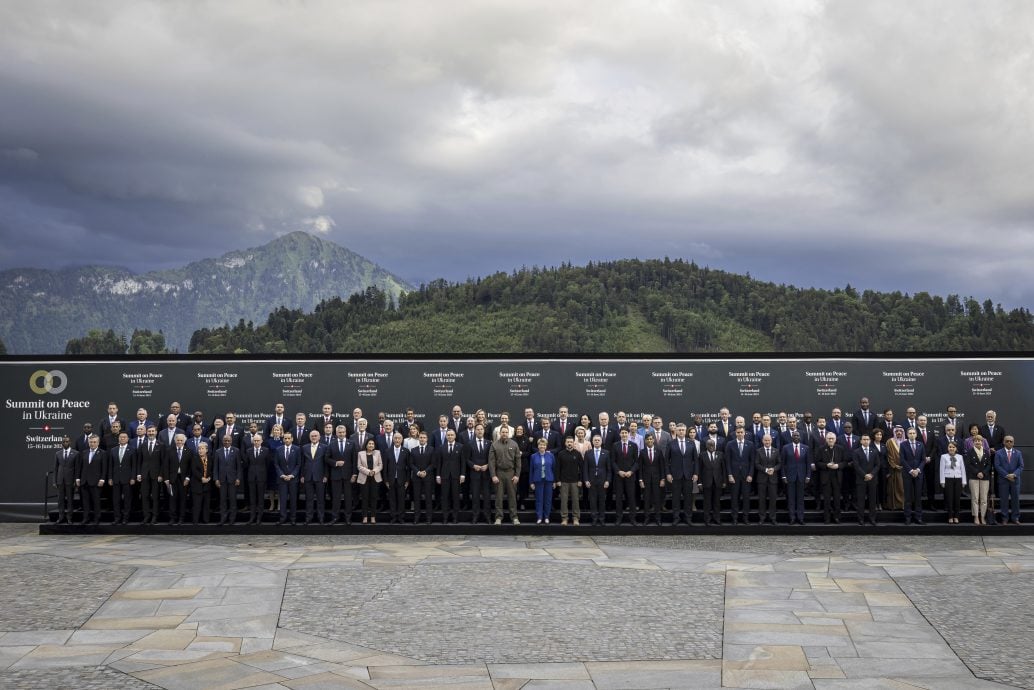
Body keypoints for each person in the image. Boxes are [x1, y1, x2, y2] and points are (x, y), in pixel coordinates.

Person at [489, 425, 522, 525]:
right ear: (499, 433)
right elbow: (491, 462)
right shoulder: (494, 445)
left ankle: (514, 517)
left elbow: (518, 461)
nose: (504, 434)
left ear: (509, 433)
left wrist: (517, 475)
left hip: (511, 473)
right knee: (499, 497)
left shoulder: (514, 444)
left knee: (512, 497)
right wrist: (493, 475)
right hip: (499, 473)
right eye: (502, 432)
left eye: (506, 432)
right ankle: (498, 517)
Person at [667, 423, 698, 526]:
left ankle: (688, 518)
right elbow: (666, 460)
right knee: (675, 498)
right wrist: (668, 473)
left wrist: (696, 473)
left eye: (683, 430)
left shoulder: (691, 443)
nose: (681, 432)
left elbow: (696, 460)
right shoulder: (671, 443)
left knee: (688, 499)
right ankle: (676, 518)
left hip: (688, 475)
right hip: (675, 476)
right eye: (679, 430)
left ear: (686, 431)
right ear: (676, 431)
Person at [434, 429, 467, 524]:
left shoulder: (460, 447)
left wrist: (463, 474)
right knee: (445, 497)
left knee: (455, 497)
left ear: (455, 436)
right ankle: (445, 517)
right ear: (446, 436)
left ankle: (455, 517)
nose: (450, 436)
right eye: (448, 435)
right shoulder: (441, 447)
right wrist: (438, 475)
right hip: (444, 476)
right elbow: (439, 463)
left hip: (456, 476)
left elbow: (463, 462)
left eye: (452, 435)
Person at [325, 424, 356, 525]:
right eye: (339, 432)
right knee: (336, 498)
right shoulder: (331, 444)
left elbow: (354, 460)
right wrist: (335, 463)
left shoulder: (352, 443)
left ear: (346, 433)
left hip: (348, 475)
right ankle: (335, 518)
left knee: (348, 498)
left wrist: (354, 474)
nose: (341, 434)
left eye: (343, 432)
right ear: (336, 433)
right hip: (336, 475)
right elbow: (326, 458)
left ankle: (348, 518)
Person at [724, 427, 754, 525]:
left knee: (746, 498)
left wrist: (750, 474)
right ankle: (735, 518)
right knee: (734, 497)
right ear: (735, 433)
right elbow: (727, 461)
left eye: (741, 432)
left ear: (744, 433)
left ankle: (745, 518)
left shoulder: (750, 444)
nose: (740, 434)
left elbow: (752, 462)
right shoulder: (730, 444)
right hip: (734, 475)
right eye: (738, 432)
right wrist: (729, 474)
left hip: (746, 476)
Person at [76, 434, 108, 525]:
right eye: (91, 442)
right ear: (88, 442)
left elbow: (104, 468)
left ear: (98, 443)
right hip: (84, 481)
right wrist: (78, 478)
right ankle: (86, 518)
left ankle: (97, 519)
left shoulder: (103, 453)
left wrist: (102, 479)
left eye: (94, 442)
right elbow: (79, 467)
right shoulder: (83, 452)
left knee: (96, 501)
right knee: (85, 502)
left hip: (96, 482)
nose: (92, 444)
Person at [817, 432, 848, 524]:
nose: (830, 440)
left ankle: (837, 517)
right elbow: (817, 462)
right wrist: (826, 465)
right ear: (826, 439)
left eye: (832, 438)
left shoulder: (840, 449)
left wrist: (838, 465)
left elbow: (845, 462)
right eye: (829, 438)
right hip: (826, 477)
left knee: (837, 499)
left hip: (837, 477)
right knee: (826, 499)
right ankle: (826, 518)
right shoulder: (821, 449)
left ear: (835, 439)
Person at [781, 431, 811, 525]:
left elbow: (808, 464)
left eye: (798, 435)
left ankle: (800, 518)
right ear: (792, 437)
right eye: (794, 436)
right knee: (791, 498)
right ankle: (792, 518)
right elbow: (782, 463)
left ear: (800, 437)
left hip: (802, 477)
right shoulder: (786, 448)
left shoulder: (806, 448)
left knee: (800, 499)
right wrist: (783, 475)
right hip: (790, 477)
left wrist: (808, 476)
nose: (796, 437)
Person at [611, 428, 640, 526]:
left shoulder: (634, 445)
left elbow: (637, 462)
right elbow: (613, 461)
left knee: (631, 497)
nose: (624, 434)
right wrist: (618, 471)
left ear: (628, 434)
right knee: (618, 498)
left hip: (630, 476)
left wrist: (631, 471)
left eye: (625, 433)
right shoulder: (615, 445)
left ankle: (633, 519)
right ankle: (619, 518)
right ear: (620, 434)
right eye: (622, 433)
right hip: (619, 476)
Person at [582, 434, 612, 526]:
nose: (597, 442)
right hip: (591, 481)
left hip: (603, 481)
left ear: (601, 442)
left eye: (598, 440)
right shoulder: (588, 453)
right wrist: (586, 480)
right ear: (592, 442)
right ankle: (594, 518)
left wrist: (608, 480)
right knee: (593, 500)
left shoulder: (606, 453)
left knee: (602, 500)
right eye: (595, 440)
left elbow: (609, 469)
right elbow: (585, 468)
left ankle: (602, 518)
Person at [137, 425, 164, 525]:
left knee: (156, 497)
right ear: (146, 433)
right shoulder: (142, 445)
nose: (151, 433)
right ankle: (146, 516)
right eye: (149, 431)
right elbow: (139, 461)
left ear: (156, 432)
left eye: (153, 431)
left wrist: (161, 474)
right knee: (145, 496)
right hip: (144, 475)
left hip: (156, 476)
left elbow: (163, 462)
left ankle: (154, 516)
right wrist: (139, 473)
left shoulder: (161, 445)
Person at [466, 424, 492, 524]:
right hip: (475, 474)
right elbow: (467, 459)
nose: (480, 431)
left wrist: (488, 465)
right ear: (475, 431)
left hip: (486, 474)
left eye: (481, 429)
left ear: (484, 431)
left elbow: (492, 458)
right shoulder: (469, 443)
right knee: (475, 496)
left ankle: (488, 516)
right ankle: (475, 516)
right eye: (478, 429)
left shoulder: (489, 443)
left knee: (487, 496)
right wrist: (473, 466)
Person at [109, 431, 137, 525]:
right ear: (118, 439)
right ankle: (117, 518)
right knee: (116, 500)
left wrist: (133, 477)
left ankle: (125, 518)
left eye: (124, 437)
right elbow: (110, 466)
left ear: (128, 439)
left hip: (127, 478)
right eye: (121, 437)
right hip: (116, 478)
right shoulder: (113, 450)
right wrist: (110, 478)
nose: (122, 439)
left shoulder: (132, 450)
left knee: (127, 500)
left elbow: (134, 466)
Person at [300, 429, 327, 525]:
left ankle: (321, 518)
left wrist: (325, 475)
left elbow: (325, 463)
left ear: (319, 437)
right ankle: (309, 518)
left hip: (320, 477)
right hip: (308, 477)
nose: (314, 437)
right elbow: (302, 463)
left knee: (320, 499)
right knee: (309, 499)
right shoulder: (304, 447)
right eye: (312, 436)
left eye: (316, 436)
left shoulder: (324, 447)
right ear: (309, 437)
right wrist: (302, 475)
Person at [964, 434, 992, 525]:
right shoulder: (970, 452)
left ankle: (982, 517)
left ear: (982, 442)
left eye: (979, 441)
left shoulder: (986, 452)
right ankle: (976, 517)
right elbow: (968, 465)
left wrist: (983, 473)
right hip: (973, 477)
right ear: (973, 442)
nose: (978, 442)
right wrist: (977, 472)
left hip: (985, 477)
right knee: (975, 498)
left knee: (983, 499)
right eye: (976, 441)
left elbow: (989, 465)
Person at [852, 433, 880, 526]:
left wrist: (871, 474)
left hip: (872, 479)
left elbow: (877, 465)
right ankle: (861, 519)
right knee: (861, 501)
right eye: (864, 439)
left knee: (872, 500)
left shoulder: (874, 451)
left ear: (870, 441)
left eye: (867, 439)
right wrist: (865, 475)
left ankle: (872, 519)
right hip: (861, 480)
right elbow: (856, 465)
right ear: (861, 441)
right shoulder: (856, 452)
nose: (866, 441)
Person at [995, 436, 1023, 524]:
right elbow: (997, 466)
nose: (1009, 443)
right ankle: (1005, 518)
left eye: (1011, 441)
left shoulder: (1018, 453)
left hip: (1015, 480)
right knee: (1004, 500)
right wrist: (1007, 475)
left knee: (1015, 499)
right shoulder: (998, 453)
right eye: (1007, 441)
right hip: (1003, 480)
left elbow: (1021, 466)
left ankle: (1015, 518)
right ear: (1003, 442)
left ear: (1013, 443)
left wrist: (1014, 474)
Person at [166, 433, 193, 525]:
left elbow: (190, 467)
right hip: (172, 479)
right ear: (175, 441)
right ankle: (172, 518)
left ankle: (181, 518)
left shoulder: (188, 451)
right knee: (172, 499)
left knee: (182, 499)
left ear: (184, 441)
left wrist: (188, 478)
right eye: (178, 440)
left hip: (184, 480)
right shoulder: (169, 450)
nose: (179, 442)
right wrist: (167, 479)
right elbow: (166, 466)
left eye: (181, 440)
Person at [695, 439, 724, 525]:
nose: (711, 447)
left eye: (713, 445)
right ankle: (707, 520)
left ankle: (717, 518)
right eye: (710, 445)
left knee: (717, 502)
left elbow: (723, 469)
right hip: (706, 482)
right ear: (706, 446)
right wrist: (699, 482)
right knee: (707, 502)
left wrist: (724, 481)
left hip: (717, 482)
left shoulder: (720, 454)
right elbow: (699, 469)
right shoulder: (702, 455)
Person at [384, 432, 410, 524]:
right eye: (395, 438)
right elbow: (385, 467)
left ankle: (401, 517)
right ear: (393, 439)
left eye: (399, 438)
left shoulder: (406, 451)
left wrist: (407, 480)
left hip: (402, 480)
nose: (397, 440)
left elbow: (408, 467)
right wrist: (386, 480)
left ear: (402, 440)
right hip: (391, 480)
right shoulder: (387, 451)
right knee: (392, 499)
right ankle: (393, 517)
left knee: (401, 499)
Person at [753, 434, 780, 525]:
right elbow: (756, 464)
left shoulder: (776, 451)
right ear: (762, 441)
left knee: (773, 499)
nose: (767, 442)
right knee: (762, 500)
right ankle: (762, 518)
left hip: (773, 479)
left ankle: (773, 518)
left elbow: (779, 463)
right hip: (762, 479)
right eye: (765, 440)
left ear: (771, 441)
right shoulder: (758, 451)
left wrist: (774, 469)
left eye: (769, 440)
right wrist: (765, 470)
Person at [556, 436, 583, 526]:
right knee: (564, 501)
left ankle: (576, 518)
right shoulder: (561, 454)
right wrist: (558, 480)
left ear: (573, 443)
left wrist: (580, 480)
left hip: (575, 481)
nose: (569, 443)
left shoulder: (578, 454)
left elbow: (582, 468)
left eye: (571, 442)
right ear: (565, 443)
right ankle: (564, 518)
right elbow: (557, 468)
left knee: (576, 500)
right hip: (563, 481)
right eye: (568, 442)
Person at [638, 434, 665, 526]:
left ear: (653, 440)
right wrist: (640, 480)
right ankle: (647, 518)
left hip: (657, 479)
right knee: (646, 500)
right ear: (645, 441)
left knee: (657, 499)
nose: (649, 441)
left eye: (651, 439)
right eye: (648, 439)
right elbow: (640, 467)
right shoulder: (642, 452)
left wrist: (662, 479)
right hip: (645, 480)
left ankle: (658, 519)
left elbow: (662, 466)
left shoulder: (659, 451)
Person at [275, 432, 301, 525]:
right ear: (283, 439)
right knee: (282, 500)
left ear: (292, 439)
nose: (287, 440)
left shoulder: (297, 449)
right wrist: (281, 475)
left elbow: (298, 464)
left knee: (293, 500)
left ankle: (293, 519)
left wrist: (292, 475)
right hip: (282, 479)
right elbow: (276, 464)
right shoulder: (278, 449)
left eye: (288, 438)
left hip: (293, 479)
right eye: (285, 438)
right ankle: (282, 518)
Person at [901, 427, 925, 525]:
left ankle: (918, 518)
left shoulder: (921, 444)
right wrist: (911, 470)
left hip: (918, 474)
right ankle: (907, 517)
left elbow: (923, 459)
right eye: (910, 433)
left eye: (913, 433)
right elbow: (902, 459)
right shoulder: (903, 445)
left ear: (916, 434)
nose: (912, 435)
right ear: (907, 434)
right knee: (908, 497)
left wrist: (918, 470)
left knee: (918, 497)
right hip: (907, 473)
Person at [529, 438, 556, 524]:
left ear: (546, 446)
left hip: (549, 480)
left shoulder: (551, 456)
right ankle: (539, 517)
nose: (542, 446)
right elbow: (531, 470)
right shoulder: (533, 456)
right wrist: (531, 482)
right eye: (540, 444)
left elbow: (554, 469)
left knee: (548, 499)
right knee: (539, 499)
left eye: (544, 445)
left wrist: (554, 481)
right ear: (538, 446)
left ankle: (547, 516)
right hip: (538, 480)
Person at [410, 432, 436, 524]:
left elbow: (433, 463)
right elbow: (411, 464)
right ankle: (417, 517)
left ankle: (429, 518)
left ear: (427, 439)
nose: (422, 439)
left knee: (428, 498)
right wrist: (417, 472)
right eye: (420, 437)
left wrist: (425, 472)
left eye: (424, 437)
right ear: (418, 439)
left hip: (428, 477)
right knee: (417, 498)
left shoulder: (432, 449)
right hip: (416, 477)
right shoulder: (413, 450)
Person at [356, 437, 383, 524]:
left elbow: (380, 465)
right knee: (364, 498)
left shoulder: (378, 452)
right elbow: (359, 466)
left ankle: (373, 516)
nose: (371, 445)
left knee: (374, 498)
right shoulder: (360, 453)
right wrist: (368, 472)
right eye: (369, 444)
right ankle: (364, 517)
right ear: (366, 445)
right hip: (364, 478)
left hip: (375, 478)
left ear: (374, 445)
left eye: (372, 444)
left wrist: (374, 471)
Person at [245, 433, 270, 524]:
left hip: (261, 478)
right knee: (252, 499)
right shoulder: (248, 451)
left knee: (260, 499)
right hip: (251, 478)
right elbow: (247, 464)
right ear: (252, 441)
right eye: (255, 440)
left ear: (261, 441)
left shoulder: (266, 450)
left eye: (258, 440)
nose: (256, 442)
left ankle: (259, 517)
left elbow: (267, 464)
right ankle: (252, 517)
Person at [939, 441, 967, 524]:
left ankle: (956, 516)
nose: (951, 448)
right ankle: (950, 516)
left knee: (957, 499)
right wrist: (942, 481)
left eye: (953, 447)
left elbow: (963, 469)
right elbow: (941, 469)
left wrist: (964, 481)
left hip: (958, 478)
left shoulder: (960, 457)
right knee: (949, 498)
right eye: (950, 447)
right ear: (948, 448)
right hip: (948, 479)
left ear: (956, 449)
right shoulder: (943, 457)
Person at [53, 435, 77, 524]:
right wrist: (54, 481)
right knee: (60, 500)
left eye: (67, 441)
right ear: (61, 443)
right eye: (63, 442)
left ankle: (69, 518)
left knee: (70, 500)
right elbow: (55, 468)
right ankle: (61, 517)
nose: (65, 443)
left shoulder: (75, 453)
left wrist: (75, 480)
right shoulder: (58, 453)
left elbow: (77, 468)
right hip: (60, 480)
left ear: (70, 442)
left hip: (70, 480)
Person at [189, 440, 213, 525]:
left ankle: (205, 520)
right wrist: (201, 478)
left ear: (206, 450)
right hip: (197, 484)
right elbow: (194, 470)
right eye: (199, 449)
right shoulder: (194, 458)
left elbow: (212, 470)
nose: (200, 450)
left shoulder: (210, 458)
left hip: (207, 484)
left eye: (202, 448)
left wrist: (209, 478)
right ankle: (195, 521)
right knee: (197, 505)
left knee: (206, 504)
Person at [884, 427, 905, 511]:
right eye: (897, 431)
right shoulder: (890, 441)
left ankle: (903, 505)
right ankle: (894, 506)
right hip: (893, 469)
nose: (899, 433)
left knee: (903, 488)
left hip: (905, 470)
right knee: (893, 488)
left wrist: (905, 466)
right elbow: (889, 456)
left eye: (900, 431)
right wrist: (895, 465)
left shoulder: (906, 441)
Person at [266, 425, 284, 513]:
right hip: (271, 466)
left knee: (279, 486)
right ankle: (272, 504)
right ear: (273, 431)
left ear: (281, 431)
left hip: (280, 466)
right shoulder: (269, 441)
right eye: (275, 430)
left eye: (278, 430)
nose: (277, 432)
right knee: (271, 487)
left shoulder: (283, 441)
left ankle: (280, 504)